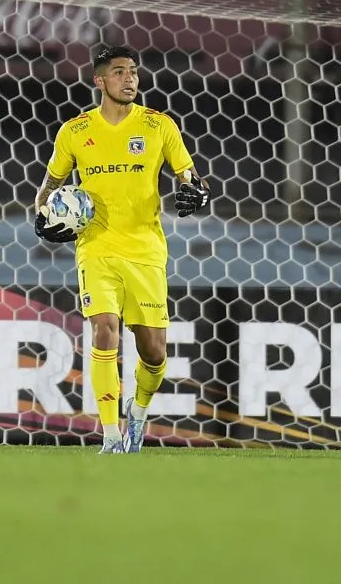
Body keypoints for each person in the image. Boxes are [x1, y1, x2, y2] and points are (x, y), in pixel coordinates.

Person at [34, 45, 212, 454]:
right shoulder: (75, 132)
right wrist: (43, 218)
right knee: (104, 329)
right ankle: (111, 435)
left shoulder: (158, 125)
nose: (130, 78)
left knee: (154, 351)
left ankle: (139, 409)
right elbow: (48, 188)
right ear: (100, 80)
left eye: (133, 71)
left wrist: (196, 192)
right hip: (96, 247)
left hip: (147, 249)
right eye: (119, 72)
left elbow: (190, 176)